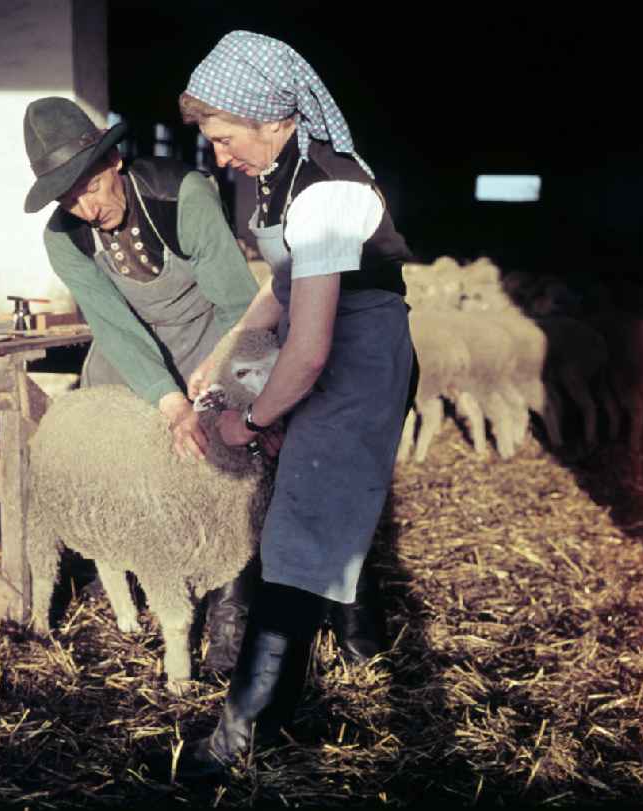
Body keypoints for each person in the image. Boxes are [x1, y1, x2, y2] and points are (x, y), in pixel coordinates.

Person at [161, 30, 417, 779]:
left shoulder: (329, 189)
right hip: (329, 341)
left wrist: (252, 418)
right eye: (209, 140)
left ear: (273, 118)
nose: (219, 154)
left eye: (224, 136)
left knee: (298, 536)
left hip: (360, 355)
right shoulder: (284, 171)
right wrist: (222, 351)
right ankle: (287, 710)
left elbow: (306, 352)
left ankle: (237, 741)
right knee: (298, 531)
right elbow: (283, 289)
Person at [22, 96, 262, 673]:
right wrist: (167, 399)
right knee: (132, 482)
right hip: (130, 362)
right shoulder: (65, 238)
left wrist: (227, 393)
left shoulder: (184, 197)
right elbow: (115, 326)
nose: (83, 206)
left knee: (230, 478)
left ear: (113, 163)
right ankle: (143, 587)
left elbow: (237, 306)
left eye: (88, 187)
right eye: (66, 197)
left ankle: (230, 614)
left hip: (210, 344)